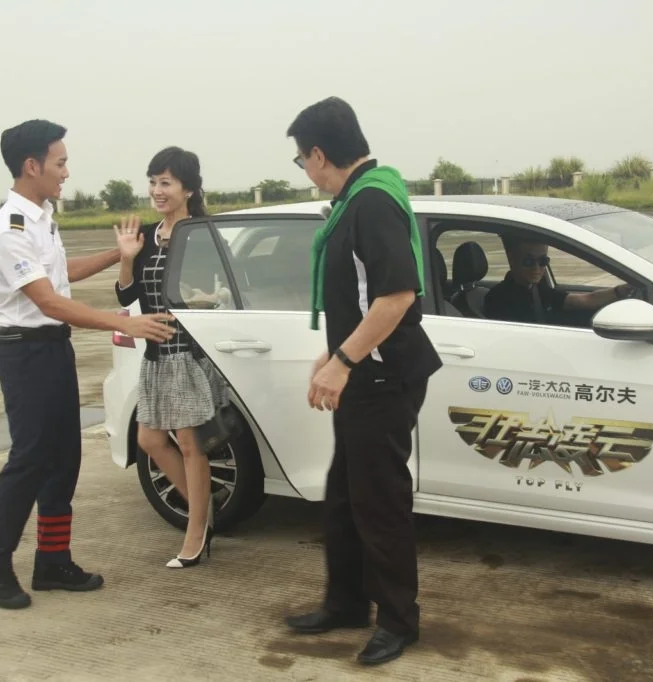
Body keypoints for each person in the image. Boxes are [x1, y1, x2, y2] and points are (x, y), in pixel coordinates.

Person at [0, 119, 176, 610]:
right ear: (32, 166)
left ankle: (52, 561)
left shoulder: (42, 218)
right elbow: (48, 300)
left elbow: (60, 276)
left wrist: (119, 253)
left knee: (64, 457)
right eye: (60, 163)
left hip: (53, 349)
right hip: (26, 353)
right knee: (29, 459)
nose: (66, 172)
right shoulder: (9, 228)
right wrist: (125, 322)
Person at [283, 97, 442, 666]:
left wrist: (343, 362)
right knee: (345, 497)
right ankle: (347, 603)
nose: (305, 171)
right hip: (363, 373)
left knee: (379, 503)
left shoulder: (371, 202)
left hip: (382, 377)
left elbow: (397, 295)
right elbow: (359, 297)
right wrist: (333, 354)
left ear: (319, 154)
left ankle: (399, 620)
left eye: (301, 160)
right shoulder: (358, 199)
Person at [114, 146, 229, 569]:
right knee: (149, 441)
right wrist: (127, 258)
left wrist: (209, 298)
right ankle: (205, 507)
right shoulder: (146, 234)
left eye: (166, 182)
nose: (157, 190)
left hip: (188, 353)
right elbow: (127, 296)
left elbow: (226, 290)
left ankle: (196, 532)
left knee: (191, 445)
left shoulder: (202, 233)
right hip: (156, 354)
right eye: (153, 182)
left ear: (189, 189)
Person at [484, 236, 635, 324]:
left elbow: (584, 300)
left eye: (543, 261)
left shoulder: (538, 289)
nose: (536, 268)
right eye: (528, 261)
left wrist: (619, 291)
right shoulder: (498, 298)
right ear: (512, 260)